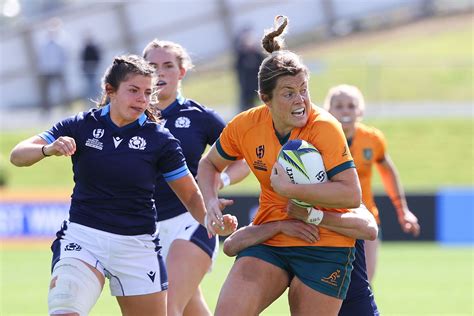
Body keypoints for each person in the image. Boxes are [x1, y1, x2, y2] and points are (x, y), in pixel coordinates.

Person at [9, 54, 237, 316]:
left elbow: (190, 196)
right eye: (133, 90)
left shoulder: (161, 140)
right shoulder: (81, 125)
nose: (142, 99)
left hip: (136, 245)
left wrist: (211, 219)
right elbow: (18, 155)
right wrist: (48, 149)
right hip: (84, 238)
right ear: (110, 90)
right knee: (64, 309)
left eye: (148, 92)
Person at [198, 16, 363, 315]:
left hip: (324, 242)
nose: (301, 100)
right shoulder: (245, 125)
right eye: (289, 93)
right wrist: (210, 202)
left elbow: (351, 195)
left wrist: (290, 188)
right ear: (266, 99)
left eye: (304, 89)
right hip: (271, 237)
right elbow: (209, 164)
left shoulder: (325, 127)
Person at [142, 39, 249, 316]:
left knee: (165, 307)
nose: (159, 73)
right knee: (191, 309)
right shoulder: (131, 117)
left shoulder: (200, 117)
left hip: (192, 220)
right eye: (152, 66)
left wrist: (219, 182)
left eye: (167, 66)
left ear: (182, 72)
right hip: (143, 229)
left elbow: (243, 159)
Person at [324, 84, 421, 283]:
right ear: (328, 110)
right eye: (339, 105)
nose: (345, 110)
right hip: (329, 220)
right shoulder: (318, 138)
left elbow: (388, 171)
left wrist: (402, 210)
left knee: (364, 283)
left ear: (360, 110)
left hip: (365, 220)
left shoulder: (373, 139)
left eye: (351, 106)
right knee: (328, 286)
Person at [223, 204, 380, 316]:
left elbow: (370, 229)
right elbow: (230, 245)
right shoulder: (285, 214)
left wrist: (312, 216)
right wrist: (278, 226)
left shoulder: (342, 205)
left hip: (355, 307)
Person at [36, 17, 69, 114]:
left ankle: (65, 107)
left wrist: (62, 66)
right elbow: (41, 58)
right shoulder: (44, 44)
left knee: (63, 90)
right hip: (46, 70)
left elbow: (64, 56)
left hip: (58, 69)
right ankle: (46, 109)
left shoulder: (60, 43)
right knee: (46, 91)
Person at [234, 26, 265, 112]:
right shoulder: (241, 56)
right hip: (247, 89)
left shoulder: (258, 55)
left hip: (259, 85)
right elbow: (239, 73)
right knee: (246, 109)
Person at [80, 32, 102, 102]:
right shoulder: (85, 48)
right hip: (87, 69)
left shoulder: (93, 47)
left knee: (94, 84)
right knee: (89, 85)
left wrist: (95, 65)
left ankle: (97, 98)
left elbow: (97, 57)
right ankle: (90, 99)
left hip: (93, 69)